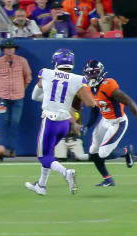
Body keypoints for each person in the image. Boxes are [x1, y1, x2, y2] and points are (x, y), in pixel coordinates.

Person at [26, 48, 96, 196]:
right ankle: (41, 185)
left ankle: (66, 173)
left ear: (56, 61)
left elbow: (34, 96)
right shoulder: (78, 79)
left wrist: (50, 97)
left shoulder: (45, 72)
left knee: (43, 156)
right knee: (49, 152)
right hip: (64, 123)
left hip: (50, 120)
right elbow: (90, 103)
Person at [84, 59, 137, 187]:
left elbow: (130, 102)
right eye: (89, 73)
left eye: (94, 73)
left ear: (100, 72)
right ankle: (108, 179)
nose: (91, 76)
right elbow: (95, 111)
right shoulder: (90, 88)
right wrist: (87, 126)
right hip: (104, 120)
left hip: (117, 122)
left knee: (103, 153)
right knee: (93, 152)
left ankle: (126, 151)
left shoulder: (109, 85)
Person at [0, 38, 32, 157]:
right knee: (4, 122)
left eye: (11, 48)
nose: (9, 50)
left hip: (18, 97)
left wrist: (22, 88)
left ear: (14, 49)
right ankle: (3, 149)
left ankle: (11, 149)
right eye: (7, 48)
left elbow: (28, 76)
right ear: (3, 50)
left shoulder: (22, 61)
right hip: (3, 97)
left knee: (15, 121)